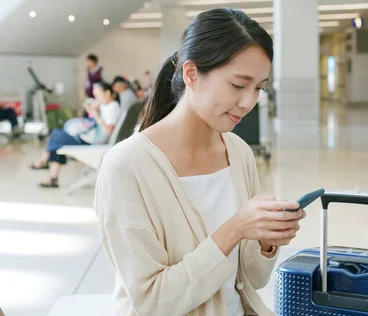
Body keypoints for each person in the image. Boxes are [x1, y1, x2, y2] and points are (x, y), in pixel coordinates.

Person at [94, 8, 305, 316]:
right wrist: (234, 229)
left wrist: (265, 242)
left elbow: (250, 281)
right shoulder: (126, 166)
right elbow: (153, 303)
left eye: (258, 88)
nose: (248, 103)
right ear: (191, 74)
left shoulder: (238, 152)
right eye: (238, 85)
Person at [31, 82, 120, 188]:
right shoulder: (107, 105)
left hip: (92, 142)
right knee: (57, 136)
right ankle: (49, 170)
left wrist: (96, 116)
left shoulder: (112, 107)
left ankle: (48, 169)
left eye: (98, 95)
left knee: (57, 137)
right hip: (89, 138)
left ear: (107, 93)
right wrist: (96, 108)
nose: (97, 98)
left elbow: (110, 130)